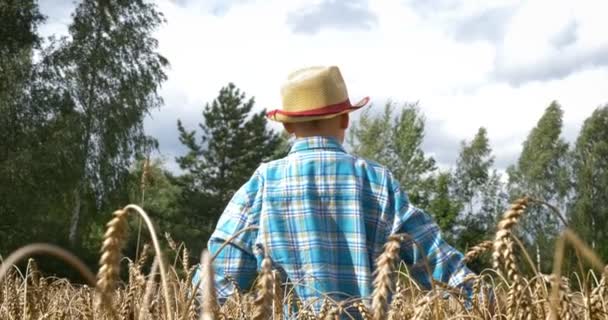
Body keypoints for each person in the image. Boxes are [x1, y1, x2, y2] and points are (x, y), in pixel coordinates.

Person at [195, 66, 473, 315]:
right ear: (345, 120)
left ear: (287, 126)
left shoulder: (263, 183)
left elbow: (214, 287)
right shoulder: (377, 182)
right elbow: (441, 265)